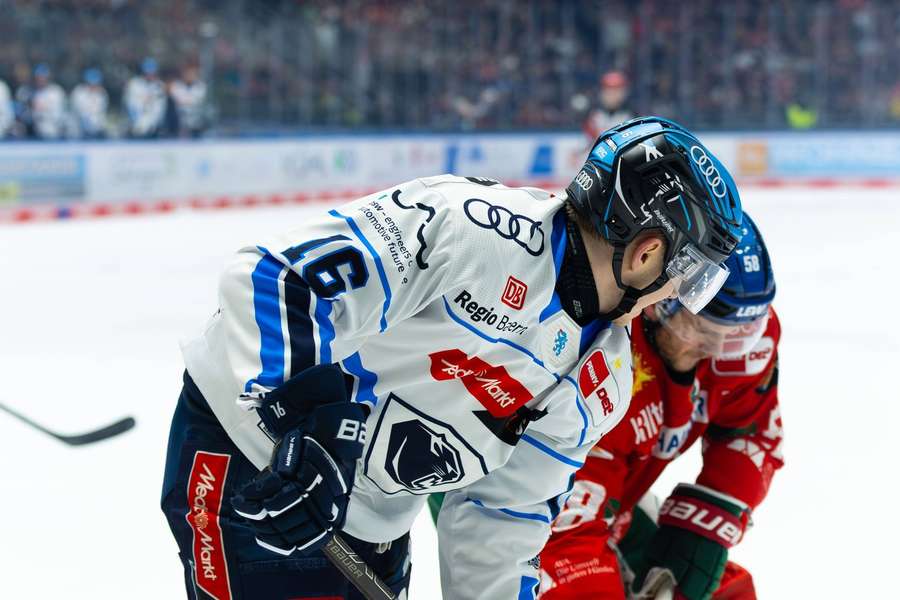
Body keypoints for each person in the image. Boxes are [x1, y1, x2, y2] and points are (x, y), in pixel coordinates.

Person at [160, 116, 743, 600]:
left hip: (371, 520)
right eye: (686, 276)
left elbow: (503, 515)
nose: (675, 296)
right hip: (247, 451)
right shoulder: (471, 228)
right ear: (647, 253)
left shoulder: (601, 381)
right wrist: (298, 427)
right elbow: (279, 279)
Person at [538, 214, 782, 600]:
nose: (713, 351)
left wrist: (706, 522)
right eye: (698, 330)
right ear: (661, 299)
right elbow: (560, 524)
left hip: (612, 500)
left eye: (733, 339)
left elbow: (751, 429)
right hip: (525, 497)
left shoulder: (738, 340)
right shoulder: (600, 355)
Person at [583, 71, 632, 143]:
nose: (612, 95)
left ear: (624, 92)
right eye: (608, 90)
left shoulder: (633, 118)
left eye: (616, 90)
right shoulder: (593, 117)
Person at [124, 57, 166, 138]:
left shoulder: (159, 86)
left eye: (152, 72)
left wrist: (153, 124)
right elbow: (131, 105)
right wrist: (137, 123)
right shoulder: (134, 84)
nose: (150, 74)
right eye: (147, 72)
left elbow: (159, 109)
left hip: (153, 128)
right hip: (136, 126)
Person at [29, 64, 67, 140]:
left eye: (43, 77)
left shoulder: (56, 92)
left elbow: (59, 115)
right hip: (34, 132)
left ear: (48, 77)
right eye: (38, 77)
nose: (40, 79)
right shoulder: (30, 92)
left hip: (54, 132)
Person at [170, 63, 208, 138]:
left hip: (196, 119)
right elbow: (178, 101)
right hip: (180, 118)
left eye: (192, 74)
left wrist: (186, 101)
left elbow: (196, 101)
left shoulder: (201, 86)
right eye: (188, 73)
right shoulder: (176, 86)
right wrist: (188, 101)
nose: (190, 76)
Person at [70, 68, 108, 139]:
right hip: (79, 130)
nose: (93, 85)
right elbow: (80, 112)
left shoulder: (102, 94)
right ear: (86, 82)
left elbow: (100, 113)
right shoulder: (78, 92)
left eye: (96, 83)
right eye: (91, 83)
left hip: (97, 130)